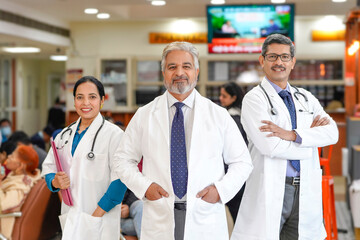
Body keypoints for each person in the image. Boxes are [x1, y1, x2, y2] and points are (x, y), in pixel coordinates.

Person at [113, 41, 253, 240]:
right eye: (172, 67)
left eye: (186, 66)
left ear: (196, 71)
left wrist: (220, 191)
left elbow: (242, 162)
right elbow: (122, 159)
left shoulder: (218, 115)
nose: (179, 72)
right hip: (159, 212)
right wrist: (145, 187)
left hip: (205, 213)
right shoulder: (145, 115)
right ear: (164, 73)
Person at [231, 34, 339, 240]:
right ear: (262, 60)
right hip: (272, 186)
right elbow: (270, 147)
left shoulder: (305, 97)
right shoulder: (254, 99)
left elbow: (332, 133)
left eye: (284, 57)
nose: (279, 62)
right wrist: (311, 142)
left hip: (305, 185)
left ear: (292, 62)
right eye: (272, 57)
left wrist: (292, 135)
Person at [42, 76, 127, 240]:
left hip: (100, 217)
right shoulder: (63, 135)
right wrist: (55, 182)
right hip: (71, 214)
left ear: (102, 101)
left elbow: (120, 180)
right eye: (80, 97)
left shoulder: (114, 135)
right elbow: (49, 169)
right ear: (74, 101)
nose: (85, 103)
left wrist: (96, 215)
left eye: (92, 97)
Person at [219, 81, 247, 224]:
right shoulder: (244, 115)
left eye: (224, 96)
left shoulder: (231, 119)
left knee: (238, 218)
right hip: (245, 173)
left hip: (233, 172)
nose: (220, 98)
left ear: (234, 97)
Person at [0, 145, 41, 239]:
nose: (9, 156)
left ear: (20, 166)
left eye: (13, 156)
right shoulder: (27, 176)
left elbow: (2, 205)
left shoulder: (20, 186)